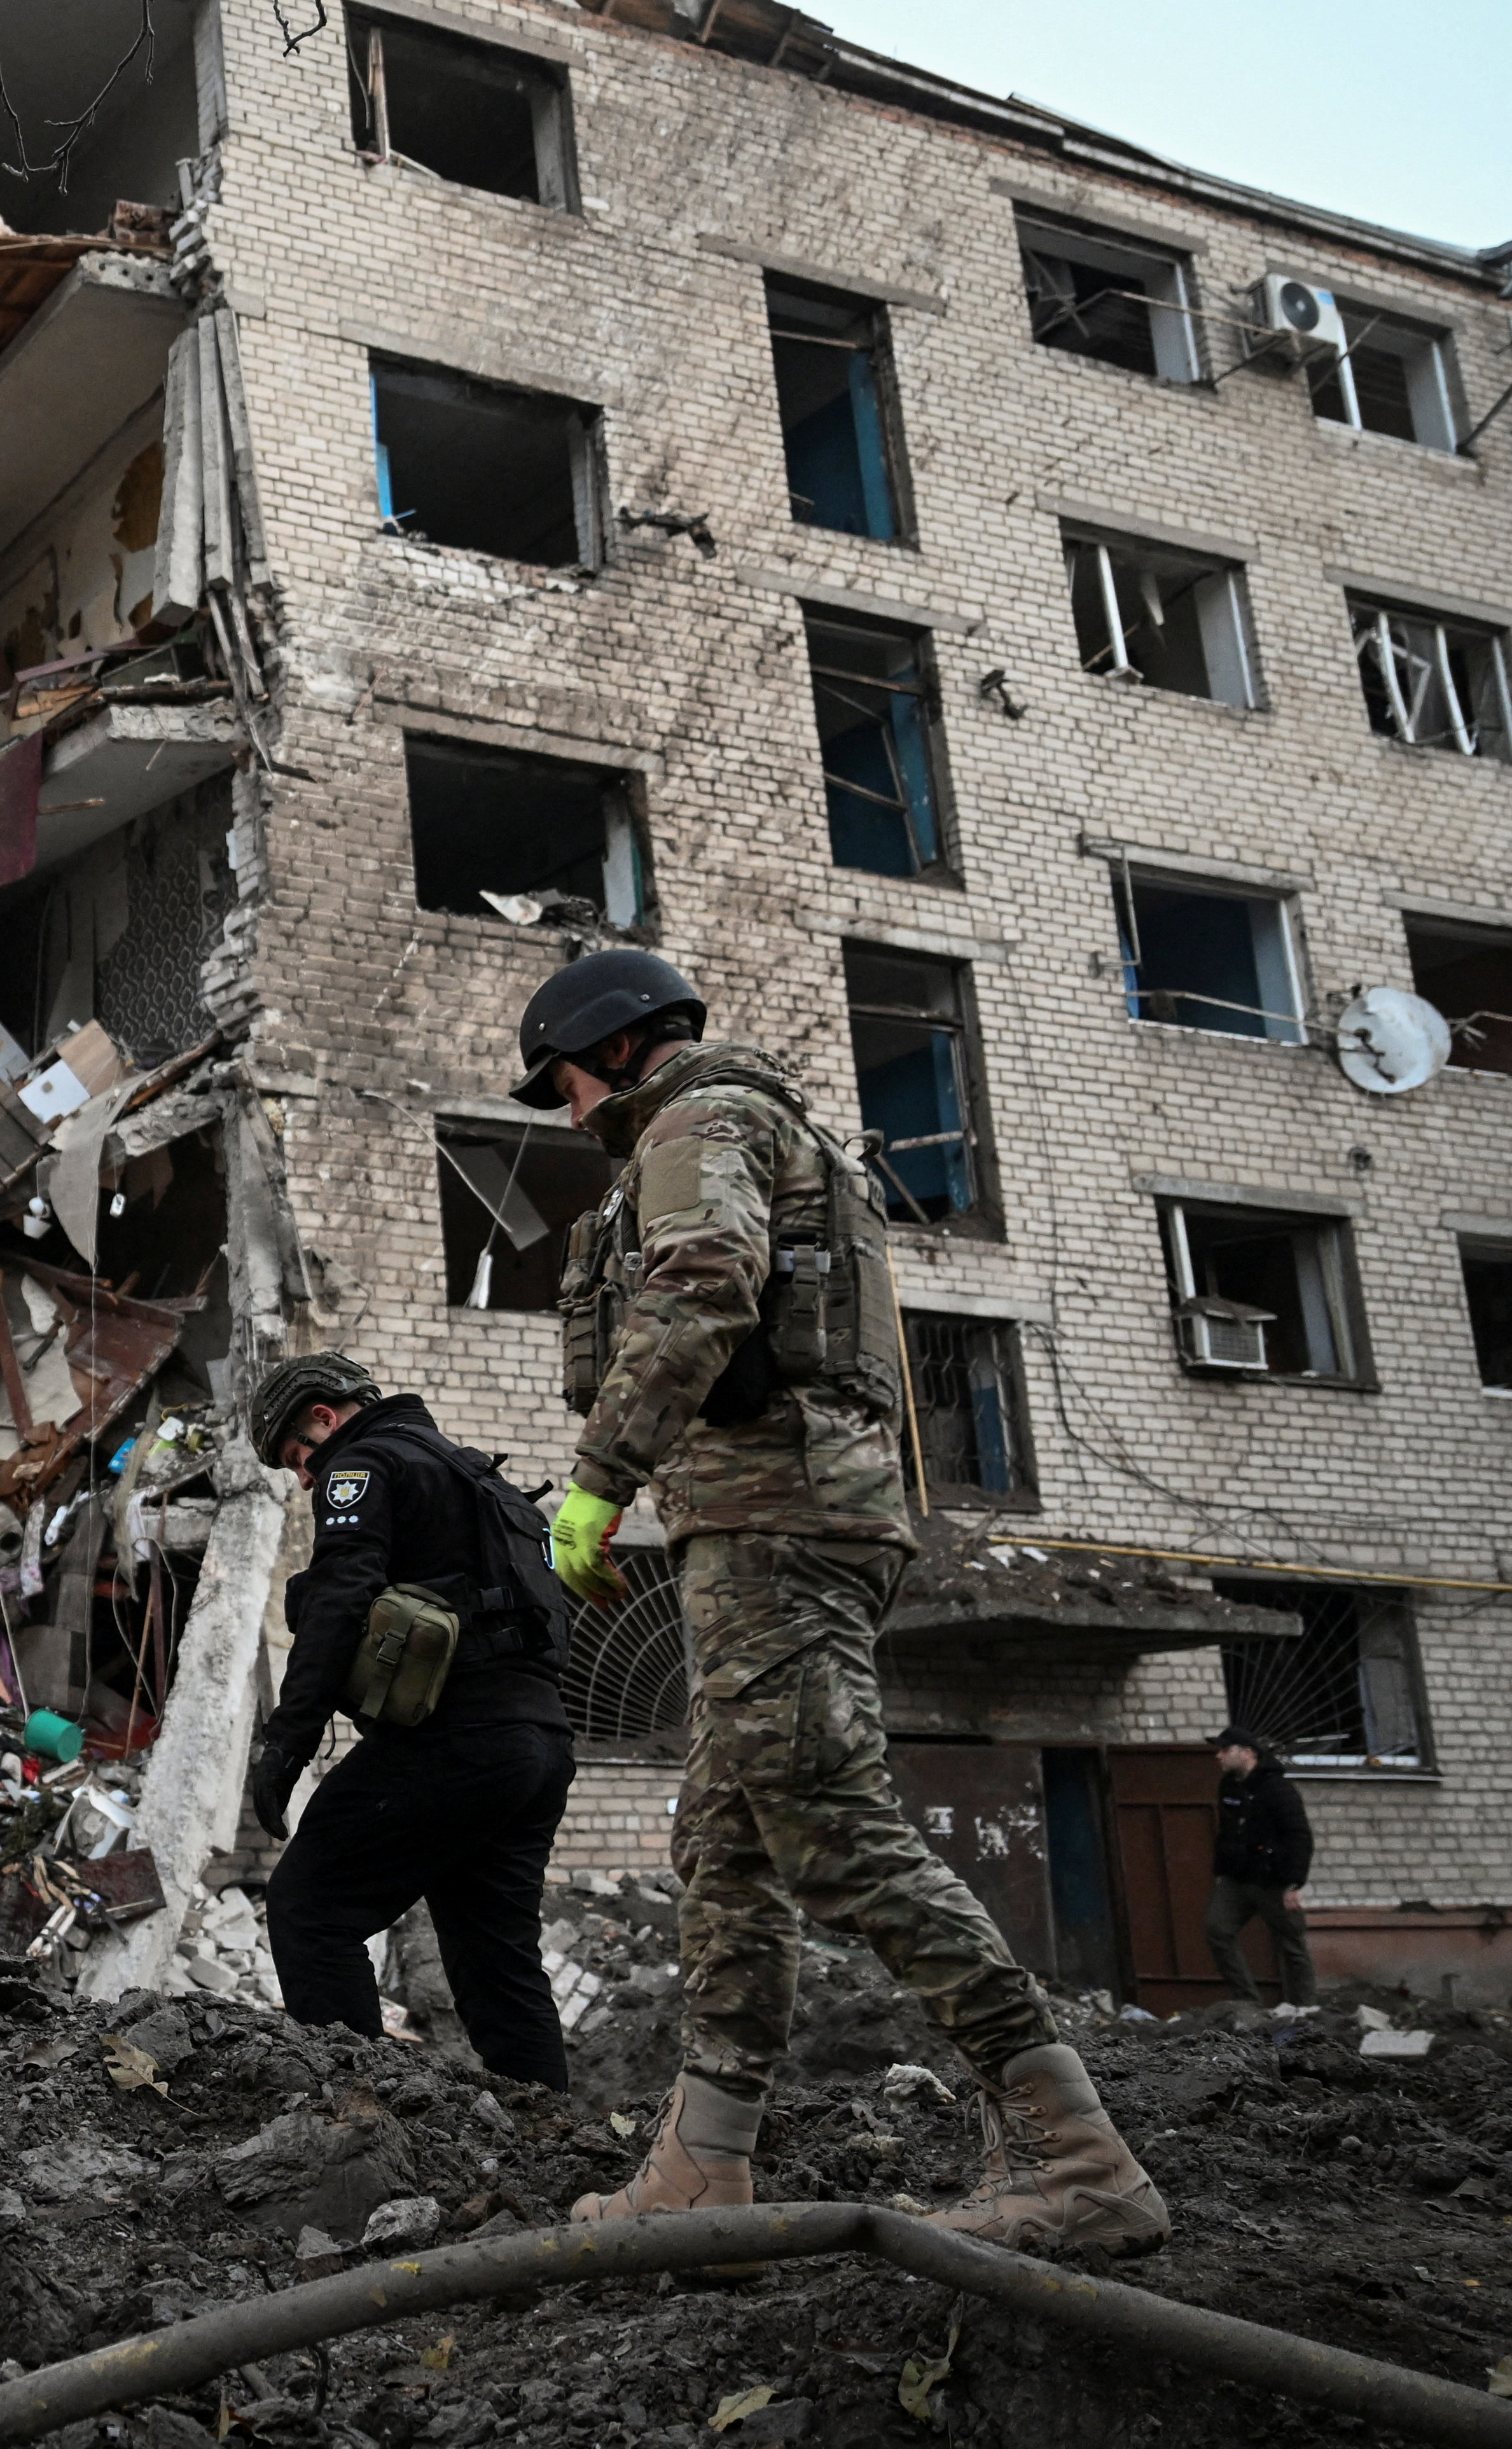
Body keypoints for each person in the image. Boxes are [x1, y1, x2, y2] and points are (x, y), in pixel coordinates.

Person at [522, 948, 1169, 2256]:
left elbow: (700, 1284)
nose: (570, 1112)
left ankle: (1071, 2149)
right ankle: (703, 2161)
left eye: (565, 1083)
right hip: (775, 1516)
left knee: (826, 1827)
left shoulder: (701, 1120)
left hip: (777, 1519)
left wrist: (597, 1480)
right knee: (726, 1844)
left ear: (610, 1049)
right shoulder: (750, 1125)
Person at [242, 1350, 579, 2086]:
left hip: (457, 1741)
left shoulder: (361, 1467)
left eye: (297, 1455)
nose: (303, 1476)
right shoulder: (482, 1481)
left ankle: (355, 2114)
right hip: (541, 1744)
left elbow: (339, 1600)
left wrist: (285, 1745)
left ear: (325, 1418)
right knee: (495, 1954)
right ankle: (556, 2145)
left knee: (309, 1907)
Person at [1206, 1728, 1317, 2008]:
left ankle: (1305, 2010)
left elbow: (1299, 1836)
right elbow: (1227, 1832)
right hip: (1237, 1879)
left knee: (1291, 1944)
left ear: (1247, 1753)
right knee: (1217, 1929)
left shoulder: (1278, 1789)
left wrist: (1294, 1883)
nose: (1218, 1755)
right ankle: (1249, 2003)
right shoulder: (1229, 1786)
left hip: (1273, 1881)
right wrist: (1222, 1871)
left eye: (1225, 1750)